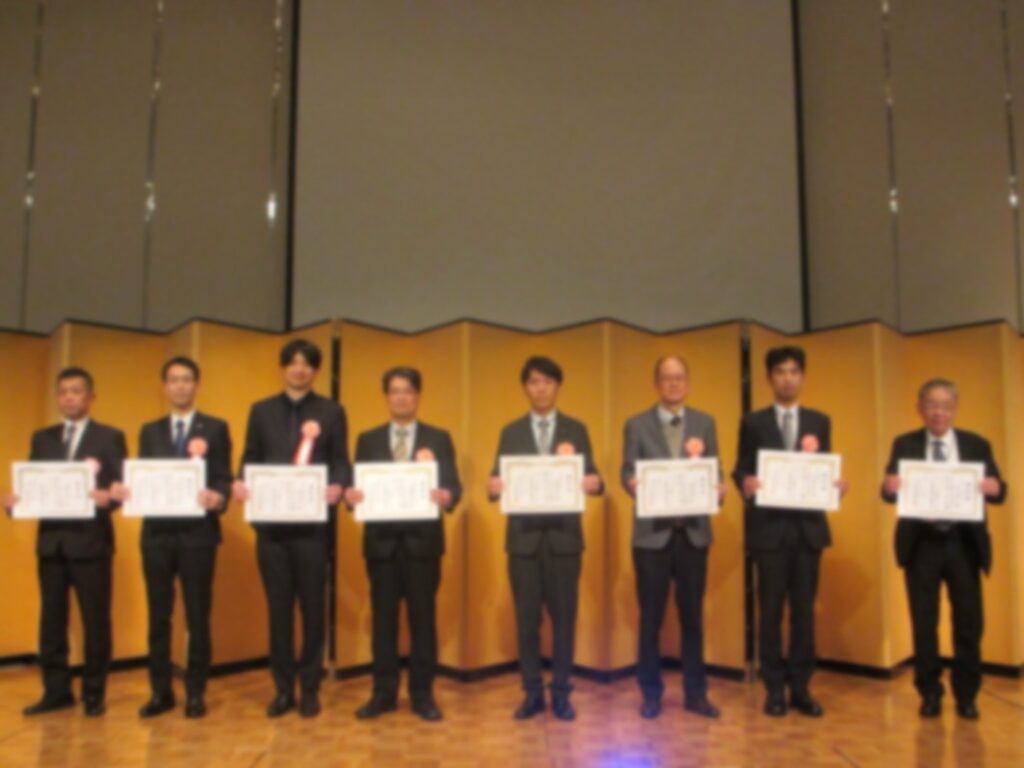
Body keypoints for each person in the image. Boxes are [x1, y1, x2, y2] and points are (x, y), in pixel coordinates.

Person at [232, 339, 350, 718]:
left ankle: (310, 687)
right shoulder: (261, 410)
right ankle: (283, 689)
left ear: (316, 370)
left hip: (313, 530)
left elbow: (341, 461)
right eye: (293, 362)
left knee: (314, 610)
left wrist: (338, 486)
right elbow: (249, 458)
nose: (299, 369)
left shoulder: (331, 411)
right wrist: (240, 483)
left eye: (307, 363)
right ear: (282, 368)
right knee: (279, 611)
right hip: (271, 530)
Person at [111, 356, 232, 719]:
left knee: (198, 616)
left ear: (197, 385)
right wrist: (127, 490)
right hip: (157, 536)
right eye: (174, 379)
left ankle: (195, 692)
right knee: (158, 617)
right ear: (165, 386)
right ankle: (160, 692)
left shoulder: (215, 427)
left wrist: (218, 496)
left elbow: (223, 477)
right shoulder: (150, 430)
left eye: (187, 379)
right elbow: (144, 476)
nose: (180, 385)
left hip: (198, 535)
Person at [3, 367, 127, 717]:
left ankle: (94, 693)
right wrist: (15, 504)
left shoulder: (109, 437)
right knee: (51, 622)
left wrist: (110, 498)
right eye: (63, 392)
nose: (69, 397)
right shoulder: (42, 438)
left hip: (91, 544)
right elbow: (32, 487)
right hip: (51, 544)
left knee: (95, 622)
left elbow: (120, 490)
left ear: (91, 397)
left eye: (76, 391)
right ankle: (56, 691)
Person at [732, 346, 846, 718]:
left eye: (794, 371)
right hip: (769, 531)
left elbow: (824, 468)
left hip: (808, 531)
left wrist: (835, 485)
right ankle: (774, 688)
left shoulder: (819, 420)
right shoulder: (753, 422)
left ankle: (801, 687)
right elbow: (740, 468)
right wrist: (746, 483)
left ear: (802, 376)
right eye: (780, 372)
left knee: (804, 613)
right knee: (769, 612)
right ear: (769, 378)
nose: (787, 378)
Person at [881, 378, 1005, 720]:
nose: (939, 412)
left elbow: (1000, 490)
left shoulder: (976, 444)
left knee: (968, 623)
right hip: (922, 544)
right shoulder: (904, 443)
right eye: (932, 405)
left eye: (946, 406)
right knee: (924, 622)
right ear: (920, 408)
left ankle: (967, 694)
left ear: (955, 409)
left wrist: (995, 487)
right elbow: (889, 492)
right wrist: (890, 486)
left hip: (963, 543)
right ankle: (930, 692)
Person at [487, 355, 603, 721]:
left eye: (548, 382)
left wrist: (595, 482)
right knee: (526, 622)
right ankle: (532, 693)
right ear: (526, 387)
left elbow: (593, 476)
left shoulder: (576, 429)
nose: (541, 389)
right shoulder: (510, 431)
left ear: (557, 387)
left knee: (565, 619)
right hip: (523, 541)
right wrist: (493, 487)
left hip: (564, 540)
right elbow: (496, 479)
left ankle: (562, 693)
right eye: (534, 382)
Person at [346, 366, 462, 722]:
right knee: (383, 622)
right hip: (381, 545)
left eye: (408, 391)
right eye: (395, 391)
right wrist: (351, 497)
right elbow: (355, 490)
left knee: (423, 621)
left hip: (422, 544)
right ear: (386, 396)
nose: (401, 397)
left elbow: (453, 486)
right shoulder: (367, 439)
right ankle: (382, 694)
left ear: (417, 396)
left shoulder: (438, 437)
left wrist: (447, 495)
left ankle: (422, 695)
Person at [621, 355, 725, 719]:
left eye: (680, 377)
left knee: (693, 617)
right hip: (652, 536)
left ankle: (696, 694)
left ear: (688, 382)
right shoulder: (636, 424)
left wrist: (719, 489)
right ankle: (650, 693)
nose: (674, 383)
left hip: (693, 534)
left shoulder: (705, 422)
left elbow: (715, 469)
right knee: (650, 618)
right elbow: (627, 470)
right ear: (656, 383)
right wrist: (632, 484)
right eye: (666, 378)